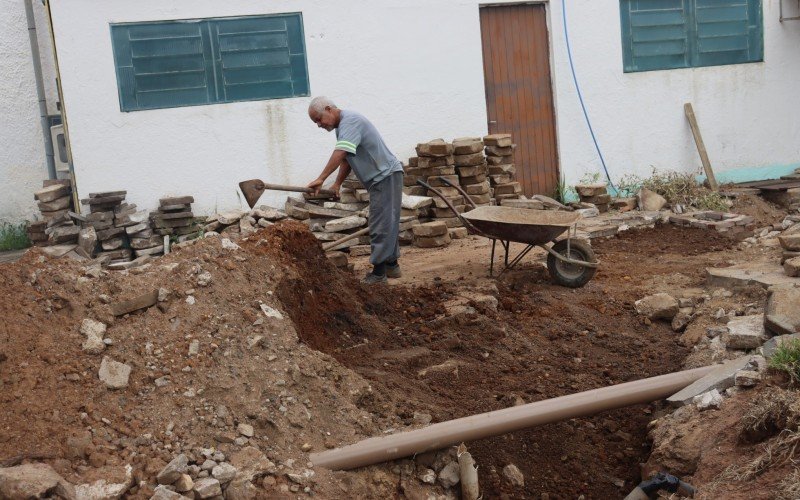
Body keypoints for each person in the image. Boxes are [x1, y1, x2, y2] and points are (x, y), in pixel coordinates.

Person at [306, 97, 404, 284]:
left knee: (380, 224)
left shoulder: (350, 121)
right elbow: (347, 158)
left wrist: (321, 178)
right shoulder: (343, 127)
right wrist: (336, 184)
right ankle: (392, 265)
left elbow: (341, 152)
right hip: (385, 177)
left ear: (329, 109)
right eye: (315, 122)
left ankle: (378, 273)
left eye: (318, 119)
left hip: (385, 176)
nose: (318, 125)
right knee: (387, 221)